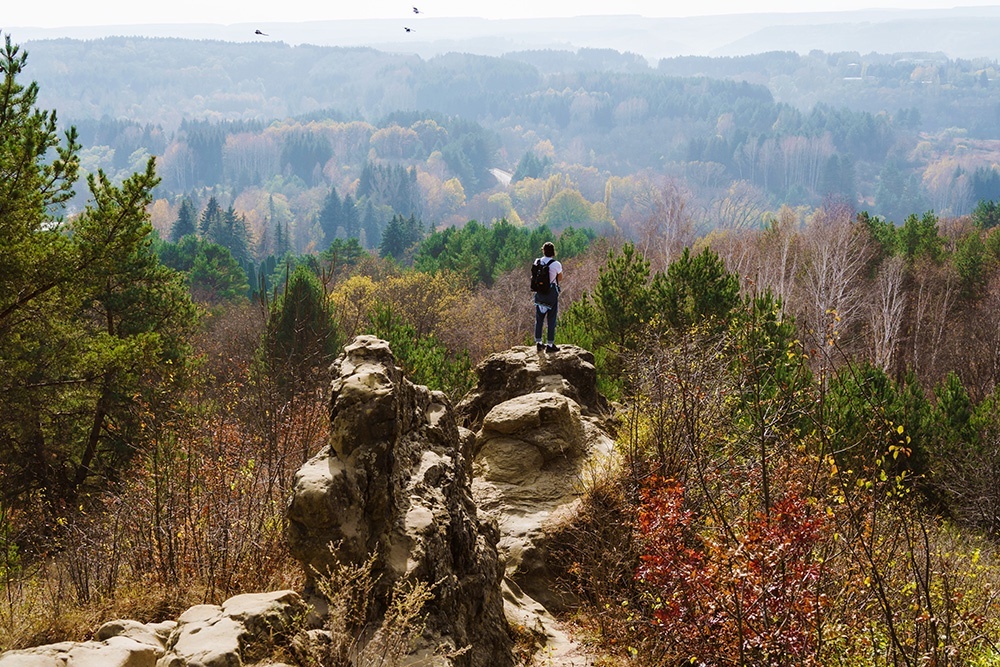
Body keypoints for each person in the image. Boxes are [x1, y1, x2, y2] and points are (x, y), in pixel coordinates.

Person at [533, 241, 563, 352]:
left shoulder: (537, 261)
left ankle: (539, 343)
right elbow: (559, 278)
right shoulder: (556, 264)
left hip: (539, 294)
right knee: (551, 320)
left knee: (539, 319)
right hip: (551, 294)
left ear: (543, 251)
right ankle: (550, 345)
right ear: (553, 252)